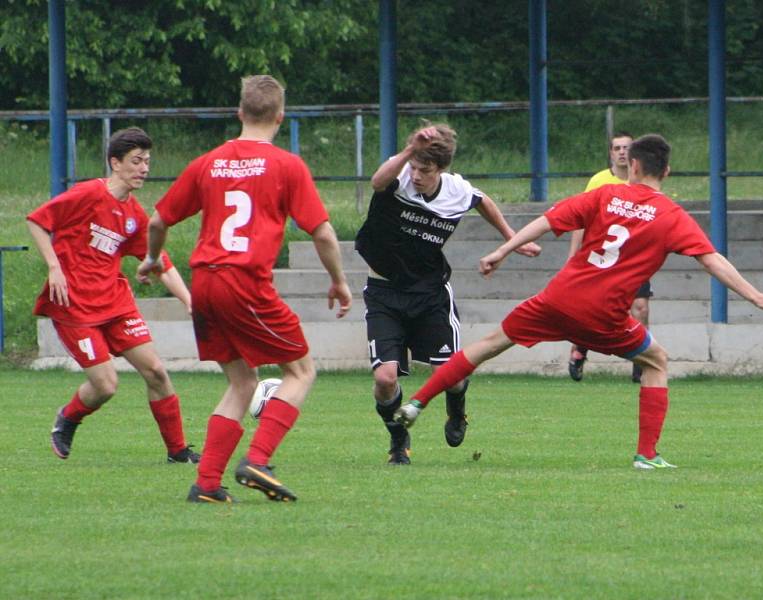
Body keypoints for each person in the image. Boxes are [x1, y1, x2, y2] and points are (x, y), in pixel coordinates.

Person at [394, 134, 763, 469]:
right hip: (604, 314)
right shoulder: (672, 216)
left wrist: (505, 250)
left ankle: (416, 402)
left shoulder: (605, 195)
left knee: (485, 347)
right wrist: (755, 296)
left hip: (558, 298)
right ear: (665, 172)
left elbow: (548, 220)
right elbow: (712, 260)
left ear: (632, 166)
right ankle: (646, 455)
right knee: (656, 361)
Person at [138, 74, 352, 503]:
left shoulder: (209, 162)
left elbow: (158, 221)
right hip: (245, 282)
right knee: (301, 370)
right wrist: (339, 281)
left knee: (242, 382)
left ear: (239, 113)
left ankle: (206, 484)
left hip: (205, 285)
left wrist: (153, 258)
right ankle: (258, 459)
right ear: (280, 116)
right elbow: (324, 234)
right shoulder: (287, 166)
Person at [355, 122, 541, 465]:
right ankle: (398, 437)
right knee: (385, 378)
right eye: (413, 166)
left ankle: (457, 411)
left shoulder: (456, 190)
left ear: (441, 169)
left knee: (452, 376)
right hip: (384, 291)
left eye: (424, 170)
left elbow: (482, 200)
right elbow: (377, 182)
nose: (416, 175)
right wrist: (410, 151)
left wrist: (510, 237)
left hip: (429, 294)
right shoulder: (399, 179)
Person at [27, 127, 200, 464]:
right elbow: (37, 222)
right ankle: (68, 418)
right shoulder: (87, 193)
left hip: (115, 304)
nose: (144, 169)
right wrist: (54, 267)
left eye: (147, 161)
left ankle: (178, 452)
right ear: (115, 163)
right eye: (136, 161)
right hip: (74, 306)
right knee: (106, 385)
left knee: (156, 373)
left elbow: (159, 262)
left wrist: (189, 301)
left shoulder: (135, 216)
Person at [566, 131, 652, 383]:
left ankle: (640, 362)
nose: (623, 152)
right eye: (617, 148)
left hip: (633, 258)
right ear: (611, 153)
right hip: (601, 255)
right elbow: (580, 219)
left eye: (627, 147)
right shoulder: (599, 181)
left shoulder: (644, 181)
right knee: (592, 308)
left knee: (640, 307)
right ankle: (580, 348)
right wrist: (574, 255)